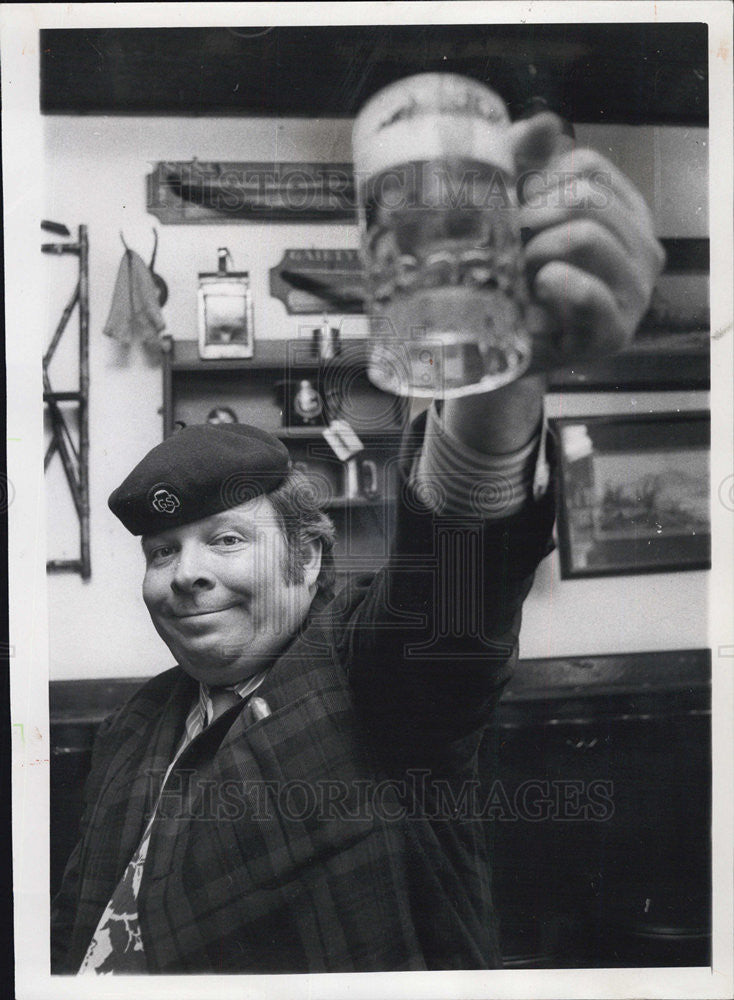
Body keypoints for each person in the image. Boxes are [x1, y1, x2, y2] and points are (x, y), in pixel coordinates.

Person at [50, 112, 664, 973]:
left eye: (225, 539)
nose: (184, 575)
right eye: (162, 551)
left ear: (307, 559)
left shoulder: (371, 679)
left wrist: (505, 373)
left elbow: (456, 579)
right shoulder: (132, 726)